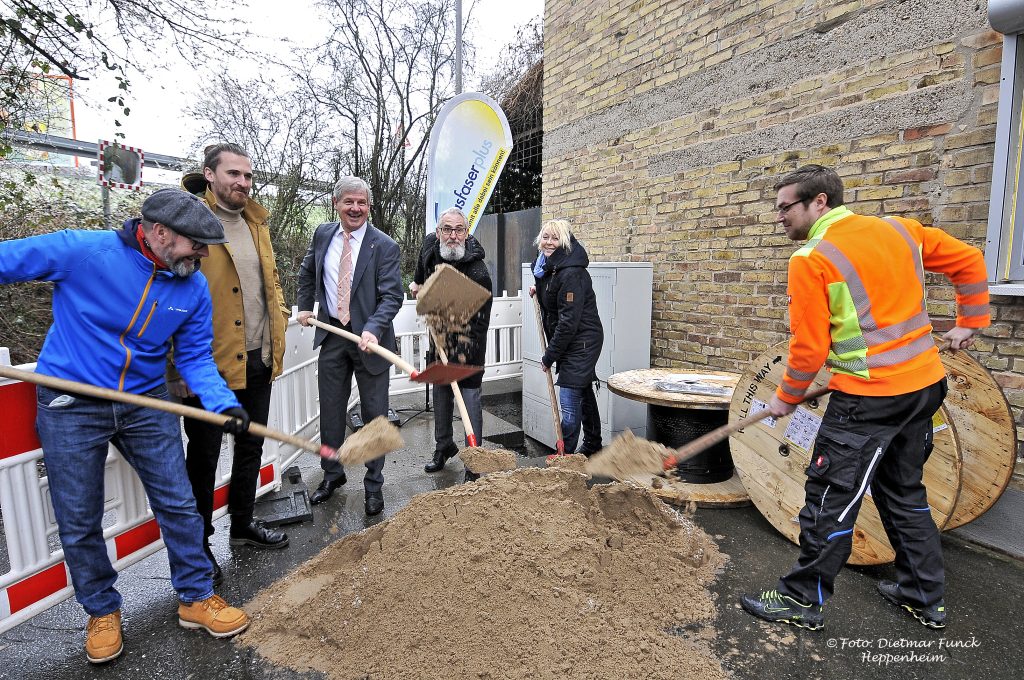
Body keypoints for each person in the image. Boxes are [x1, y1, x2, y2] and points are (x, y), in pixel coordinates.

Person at [0, 188, 253, 664]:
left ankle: (196, 597)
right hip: (70, 400)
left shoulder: (192, 286)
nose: (202, 255)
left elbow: (195, 357)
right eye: (196, 244)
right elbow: (5, 261)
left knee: (178, 500)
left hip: (144, 401)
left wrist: (223, 403)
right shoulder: (83, 252)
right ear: (160, 233)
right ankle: (101, 610)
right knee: (78, 516)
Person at [740, 164, 990, 631]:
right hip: (924, 388)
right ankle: (923, 596)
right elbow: (969, 259)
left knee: (830, 498)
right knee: (903, 490)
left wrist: (786, 397)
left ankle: (801, 601)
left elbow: (809, 348)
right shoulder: (899, 231)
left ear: (820, 202)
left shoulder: (812, 258)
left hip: (868, 401)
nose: (779, 217)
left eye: (785, 207)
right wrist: (971, 320)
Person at [169, 144, 291, 587]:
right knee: (201, 459)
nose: (243, 183)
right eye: (234, 174)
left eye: (248, 175)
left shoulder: (257, 224)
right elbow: (167, 298)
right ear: (209, 175)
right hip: (208, 365)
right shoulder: (187, 224)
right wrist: (175, 369)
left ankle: (241, 525)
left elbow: (270, 283)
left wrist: (277, 326)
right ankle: (198, 548)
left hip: (257, 358)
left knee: (251, 446)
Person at [297, 176, 403, 515]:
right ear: (336, 203)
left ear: (369, 207)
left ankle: (374, 486)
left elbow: (391, 296)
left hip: (370, 344)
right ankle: (332, 475)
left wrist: (372, 329)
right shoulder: (323, 235)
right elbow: (306, 272)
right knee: (330, 413)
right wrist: (304, 306)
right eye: (349, 202)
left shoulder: (383, 245)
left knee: (374, 417)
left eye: (362, 203)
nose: (355, 208)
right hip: (332, 337)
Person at [410, 207, 493, 476]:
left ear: (467, 234)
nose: (453, 236)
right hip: (438, 343)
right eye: (447, 229)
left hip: (468, 348)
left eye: (459, 230)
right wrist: (418, 285)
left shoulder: (478, 271)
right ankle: (443, 446)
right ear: (438, 233)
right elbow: (419, 277)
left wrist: (458, 353)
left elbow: (479, 323)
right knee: (441, 397)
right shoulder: (430, 248)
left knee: (469, 403)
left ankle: (474, 461)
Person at [531, 219, 604, 456]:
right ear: (539, 240)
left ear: (565, 241)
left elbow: (568, 321)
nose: (549, 242)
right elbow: (552, 293)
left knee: (570, 404)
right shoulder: (545, 267)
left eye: (555, 238)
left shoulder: (572, 272)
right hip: (568, 340)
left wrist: (549, 356)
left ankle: (565, 456)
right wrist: (538, 290)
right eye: (545, 237)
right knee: (583, 392)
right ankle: (593, 445)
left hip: (582, 342)